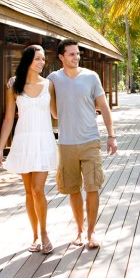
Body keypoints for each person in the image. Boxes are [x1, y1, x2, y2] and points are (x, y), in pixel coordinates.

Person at [48, 39, 117, 250]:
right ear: (61, 57)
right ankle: (79, 231)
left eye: (77, 54)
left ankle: (91, 232)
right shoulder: (53, 79)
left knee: (93, 187)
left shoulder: (90, 77)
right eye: (71, 54)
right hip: (66, 143)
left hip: (90, 141)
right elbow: (48, 104)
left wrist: (111, 136)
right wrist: (15, 79)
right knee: (73, 189)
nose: (76, 57)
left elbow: (104, 107)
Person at [0, 44, 57, 255]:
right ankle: (35, 236)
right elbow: (8, 118)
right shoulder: (15, 85)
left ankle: (45, 232)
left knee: (38, 189)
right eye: (38, 59)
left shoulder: (49, 85)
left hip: (43, 142)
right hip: (23, 142)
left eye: (43, 59)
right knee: (29, 192)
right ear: (28, 61)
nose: (42, 63)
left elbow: (57, 114)